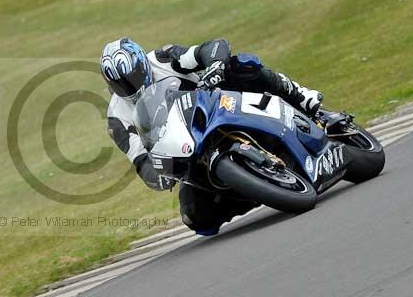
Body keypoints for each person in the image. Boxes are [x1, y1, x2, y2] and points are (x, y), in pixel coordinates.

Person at [100, 36, 323, 235]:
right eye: (122, 85)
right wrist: (159, 174)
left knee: (242, 65)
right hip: (188, 152)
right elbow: (140, 159)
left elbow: (211, 48)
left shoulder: (162, 58)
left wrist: (214, 65)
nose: (131, 86)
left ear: (142, 64)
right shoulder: (116, 118)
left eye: (134, 77)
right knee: (195, 217)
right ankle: (253, 191)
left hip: (217, 105)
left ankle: (301, 97)